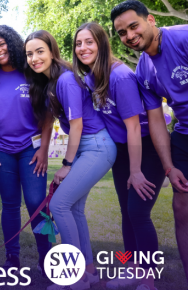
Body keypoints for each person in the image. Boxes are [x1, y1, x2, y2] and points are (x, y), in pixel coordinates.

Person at [73, 22, 166, 290]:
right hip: (121, 151)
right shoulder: (90, 78)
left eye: (89, 42)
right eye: (79, 43)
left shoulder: (120, 76)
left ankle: (148, 278)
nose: (83, 48)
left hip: (145, 148)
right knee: (126, 212)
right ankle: (130, 268)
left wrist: (136, 171)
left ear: (102, 44)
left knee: (138, 212)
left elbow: (134, 126)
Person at [24, 30, 117, 290]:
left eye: (40, 51)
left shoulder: (65, 80)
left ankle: (73, 278)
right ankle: (88, 273)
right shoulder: (50, 83)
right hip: (88, 147)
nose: (34, 58)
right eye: (29, 53)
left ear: (53, 51)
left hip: (96, 146)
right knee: (74, 209)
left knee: (60, 204)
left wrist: (66, 165)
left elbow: (76, 125)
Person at [111, 1, 188, 287]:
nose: (129, 36)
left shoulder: (183, 37)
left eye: (134, 26)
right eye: (122, 32)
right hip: (183, 134)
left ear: (151, 20)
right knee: (181, 210)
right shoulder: (143, 69)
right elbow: (156, 121)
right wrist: (168, 167)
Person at [0, 25, 52, 273]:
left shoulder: (32, 72)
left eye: (2, 44)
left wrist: (43, 148)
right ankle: (12, 257)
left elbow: (47, 115)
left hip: (31, 149)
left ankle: (47, 256)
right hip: (2, 151)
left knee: (36, 202)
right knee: (9, 205)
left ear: (12, 42)